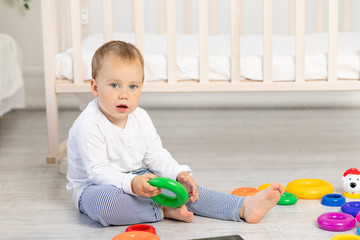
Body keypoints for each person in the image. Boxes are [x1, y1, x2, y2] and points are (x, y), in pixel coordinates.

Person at [66, 40, 284, 227]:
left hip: (138, 175)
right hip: (96, 187)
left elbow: (156, 155)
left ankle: (242, 207)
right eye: (114, 85)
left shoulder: (140, 117)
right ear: (95, 87)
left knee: (185, 190)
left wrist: (177, 173)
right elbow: (97, 172)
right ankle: (163, 209)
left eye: (133, 87)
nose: (124, 95)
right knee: (105, 206)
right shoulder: (88, 123)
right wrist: (132, 185)